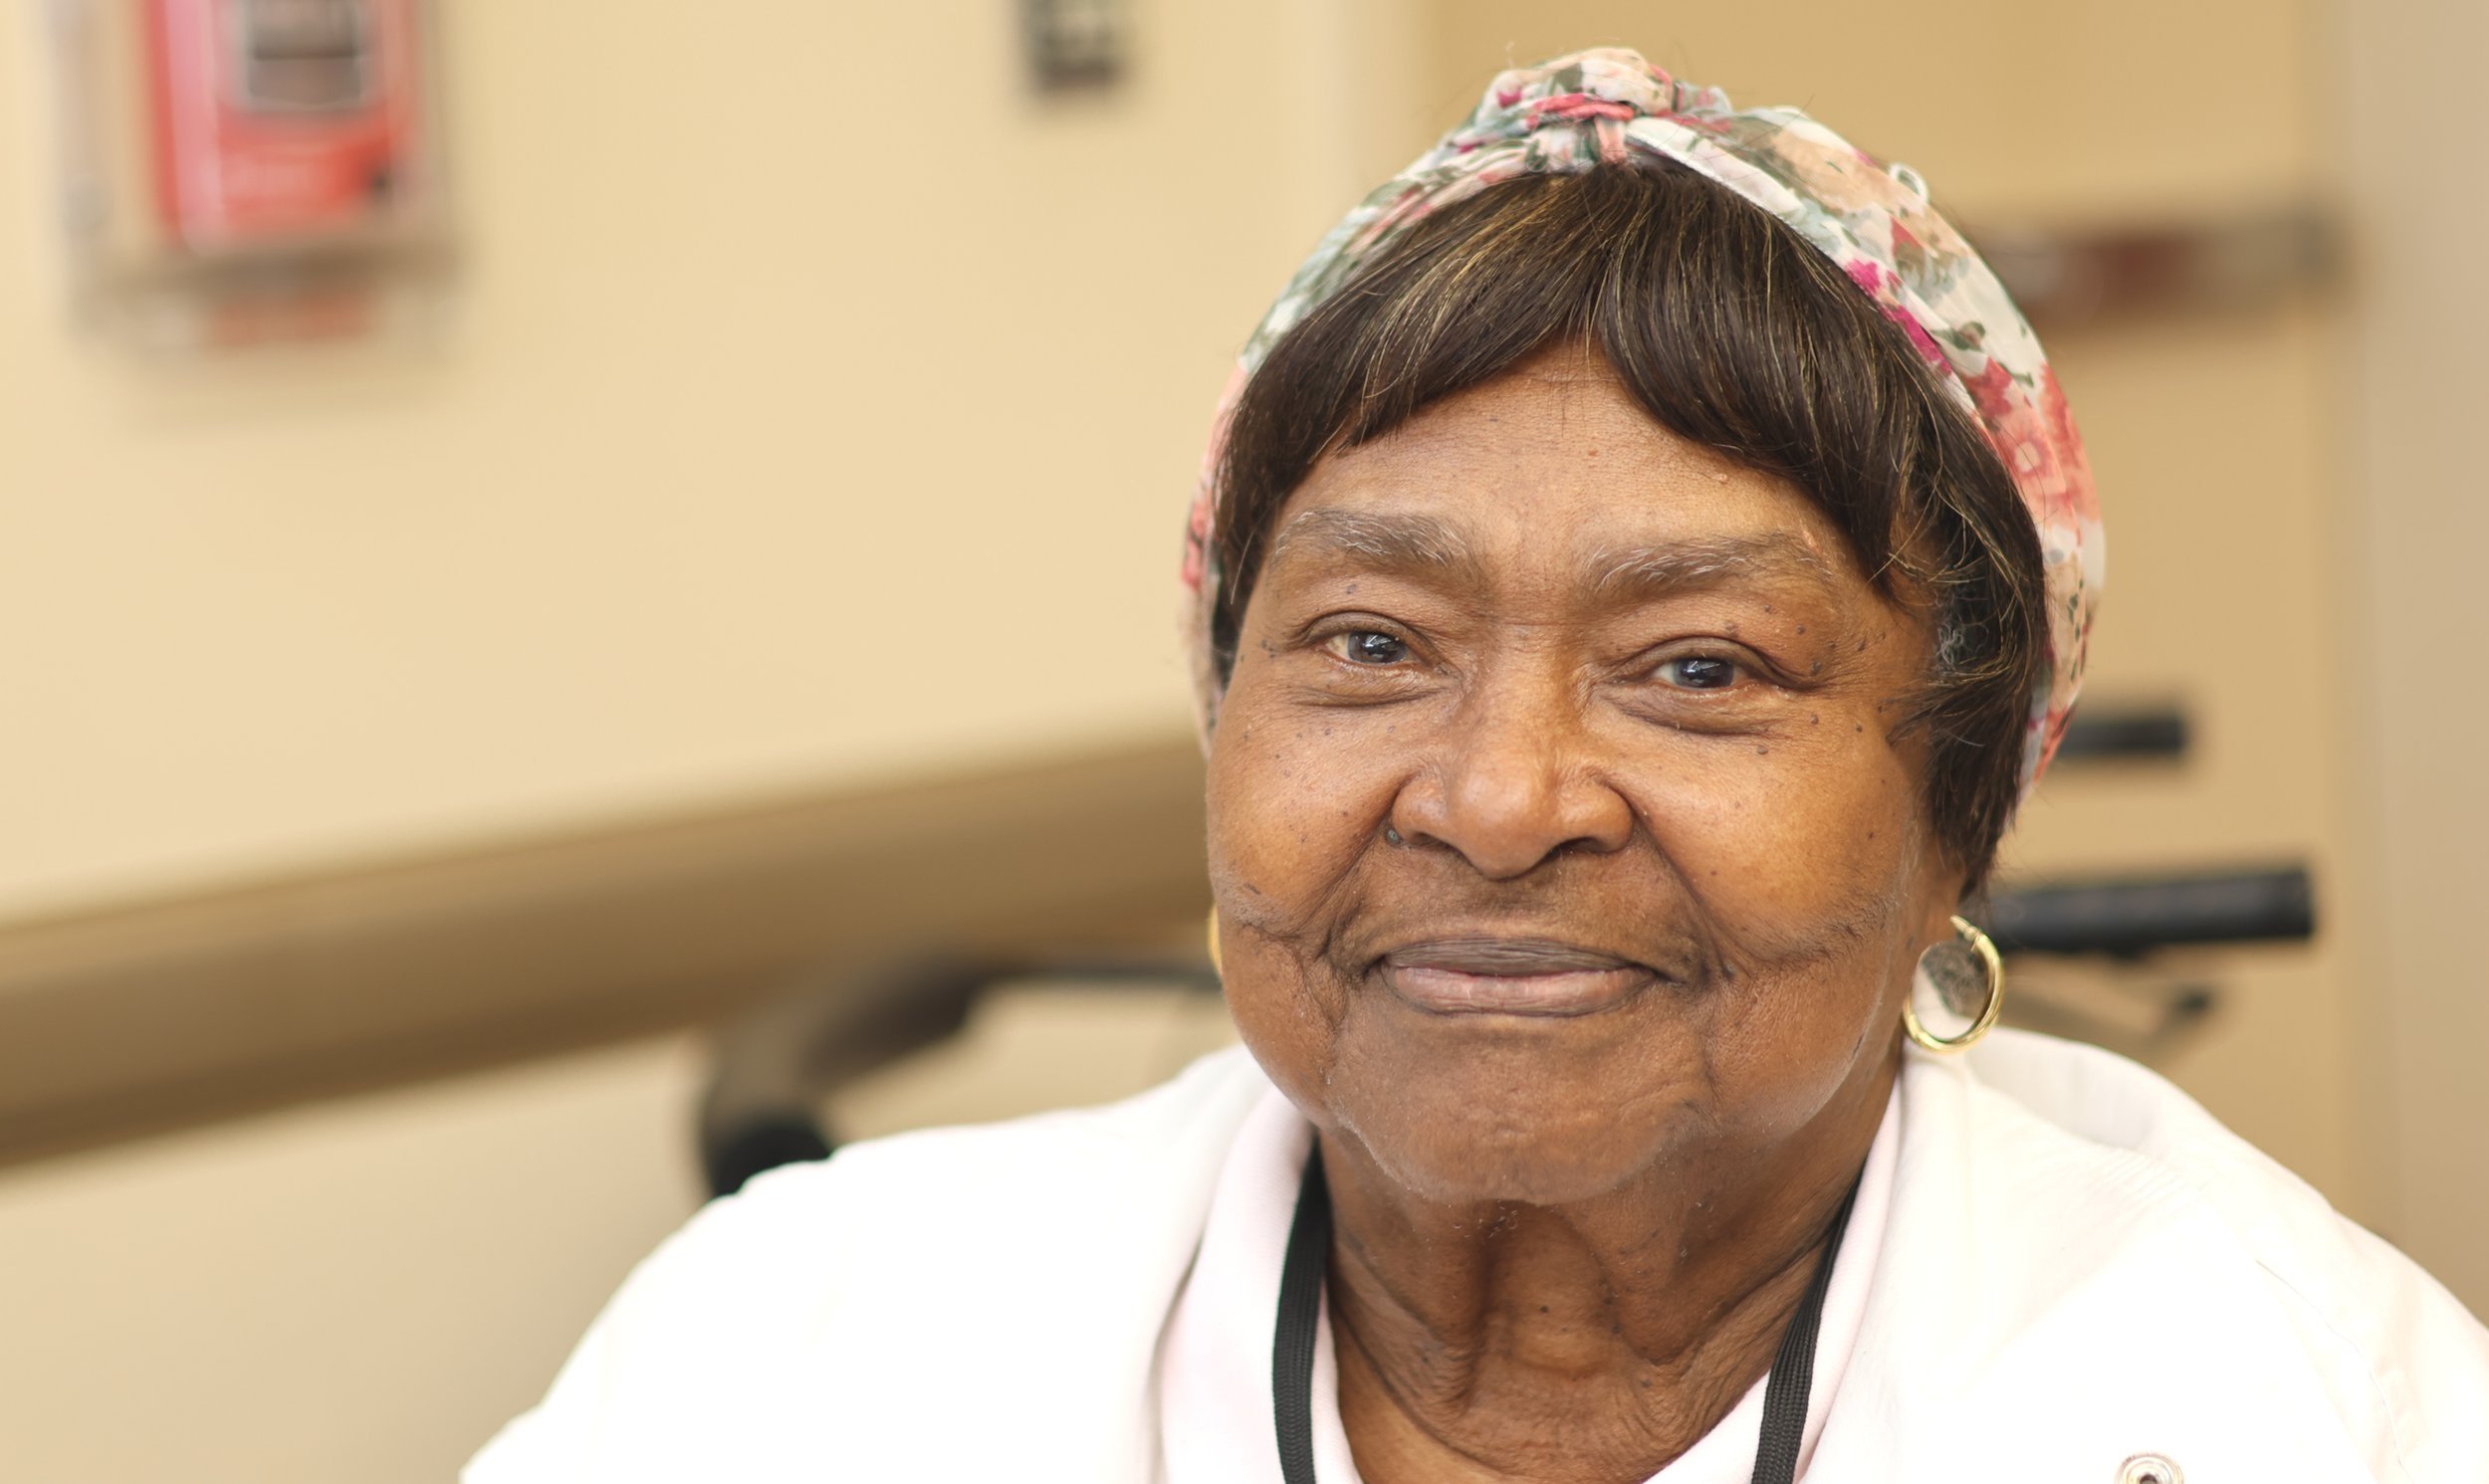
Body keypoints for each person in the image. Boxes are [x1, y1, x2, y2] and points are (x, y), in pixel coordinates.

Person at [466, 49, 2489, 1483]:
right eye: (1369, 644)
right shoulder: (795, 1361)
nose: (1500, 799)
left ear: (1956, 808)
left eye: (1696, 666)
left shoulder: (2306, 1408)